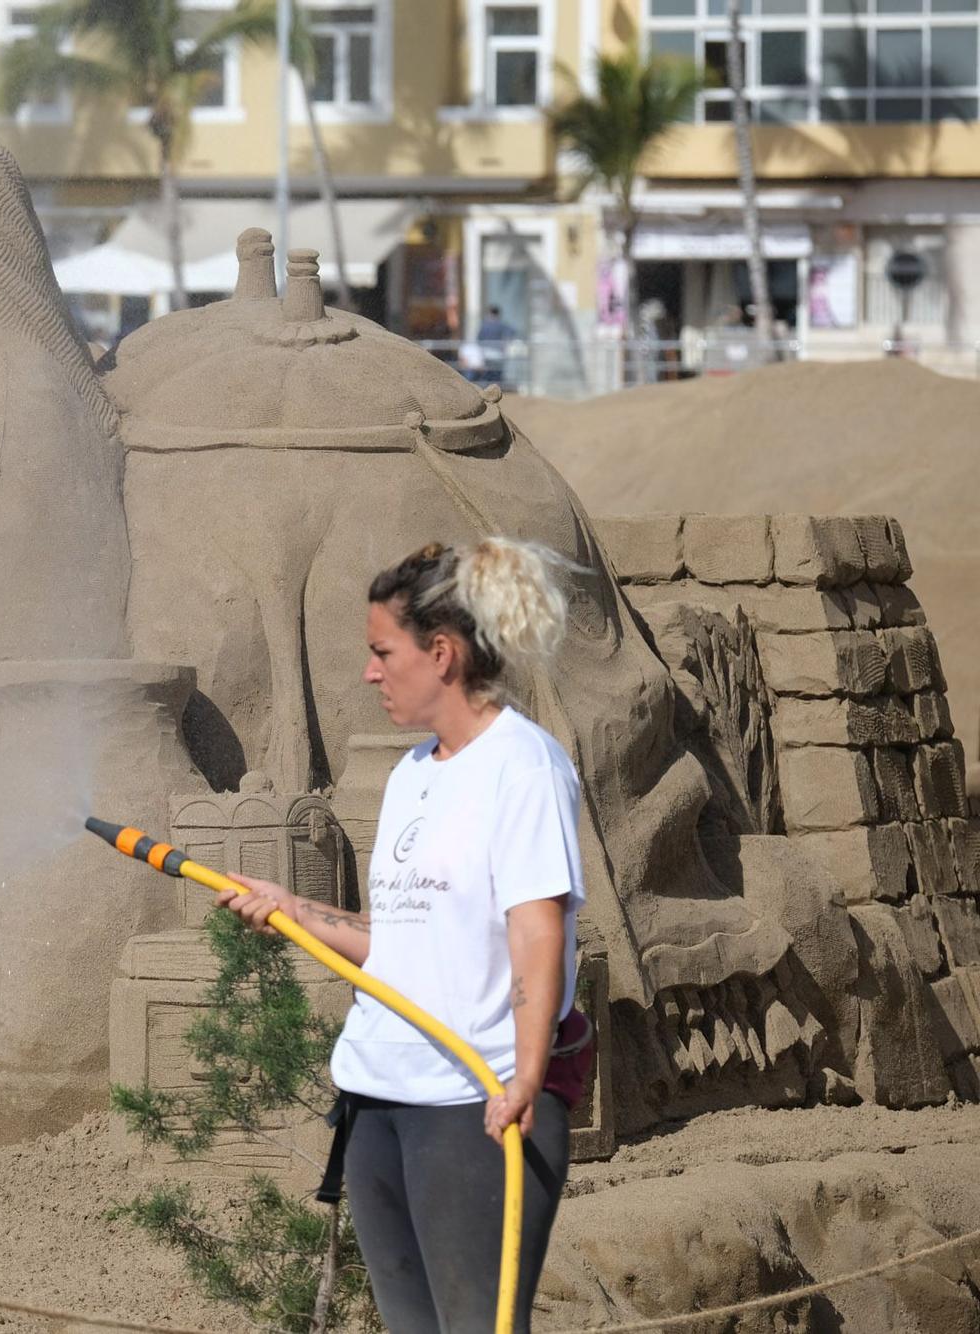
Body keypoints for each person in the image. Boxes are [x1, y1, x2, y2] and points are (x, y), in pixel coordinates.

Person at [216, 537, 586, 1334]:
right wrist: (289, 907)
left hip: (474, 1105)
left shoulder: (523, 768)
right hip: (377, 1096)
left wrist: (524, 1077)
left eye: (383, 652)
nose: (369, 672)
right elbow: (405, 939)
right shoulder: (414, 771)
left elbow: (535, 933)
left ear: (442, 653)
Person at [474, 304, 517, 386]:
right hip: (498, 353)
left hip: (486, 353)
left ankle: (487, 390)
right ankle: (496, 391)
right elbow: (513, 331)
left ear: (489, 313)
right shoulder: (501, 324)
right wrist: (506, 343)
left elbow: (478, 339)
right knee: (497, 375)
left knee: (487, 374)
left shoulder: (485, 325)